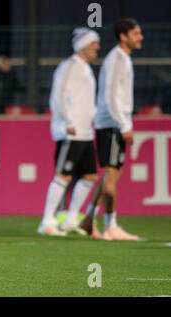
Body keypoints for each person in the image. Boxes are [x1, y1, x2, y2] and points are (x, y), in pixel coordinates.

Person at [79, 18, 143, 241]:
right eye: (136, 34)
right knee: (111, 174)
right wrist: (124, 125)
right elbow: (110, 96)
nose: (140, 37)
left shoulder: (122, 58)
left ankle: (88, 218)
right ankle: (110, 225)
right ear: (124, 36)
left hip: (113, 123)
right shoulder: (117, 59)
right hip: (111, 124)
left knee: (112, 174)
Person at [37, 28, 100, 236]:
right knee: (63, 175)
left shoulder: (84, 68)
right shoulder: (70, 66)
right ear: (82, 45)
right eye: (93, 44)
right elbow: (58, 95)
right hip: (71, 131)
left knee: (90, 176)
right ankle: (46, 221)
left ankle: (71, 218)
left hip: (85, 131)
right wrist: (67, 121)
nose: (97, 48)